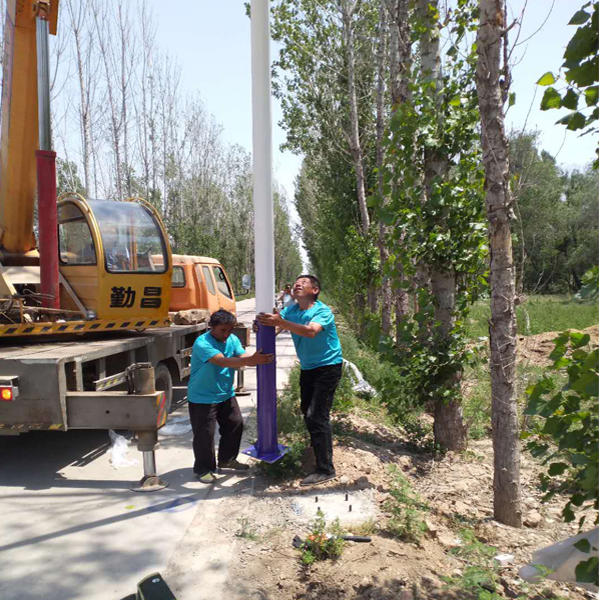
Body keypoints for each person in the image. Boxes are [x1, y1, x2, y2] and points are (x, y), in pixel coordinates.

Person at [257, 275, 343, 486]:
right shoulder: (291, 311)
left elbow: (311, 331)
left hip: (328, 367)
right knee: (308, 411)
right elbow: (276, 328)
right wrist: (264, 329)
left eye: (304, 282)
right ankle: (318, 448)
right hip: (308, 367)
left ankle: (325, 469)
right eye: (296, 282)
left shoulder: (322, 311)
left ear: (315, 290)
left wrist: (281, 322)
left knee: (317, 415)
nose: (297, 284)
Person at [189, 309, 274, 483]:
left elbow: (241, 355)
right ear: (211, 326)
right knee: (205, 434)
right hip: (203, 397)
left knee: (235, 424)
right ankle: (203, 469)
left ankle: (227, 459)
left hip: (225, 393)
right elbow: (221, 361)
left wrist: (252, 359)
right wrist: (250, 361)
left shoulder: (232, 339)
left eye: (229, 330)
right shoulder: (202, 342)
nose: (226, 334)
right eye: (222, 330)